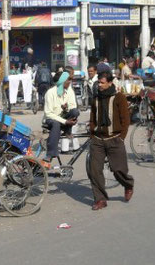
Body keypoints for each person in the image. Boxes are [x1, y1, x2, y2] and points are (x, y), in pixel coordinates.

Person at [87, 72, 134, 210]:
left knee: (119, 170)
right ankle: (100, 199)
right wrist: (92, 133)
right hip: (97, 140)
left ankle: (128, 184)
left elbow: (125, 120)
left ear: (109, 83)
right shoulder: (95, 98)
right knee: (94, 171)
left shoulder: (119, 97)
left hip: (114, 139)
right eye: (98, 82)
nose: (99, 85)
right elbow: (92, 118)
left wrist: (121, 138)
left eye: (102, 82)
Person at [42, 72, 79, 162]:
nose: (69, 82)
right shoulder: (50, 93)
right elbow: (48, 113)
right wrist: (65, 122)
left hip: (63, 116)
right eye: (68, 80)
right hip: (51, 119)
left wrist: (66, 108)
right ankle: (50, 154)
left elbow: (73, 106)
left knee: (75, 112)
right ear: (62, 81)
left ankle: (67, 130)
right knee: (56, 124)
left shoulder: (68, 91)